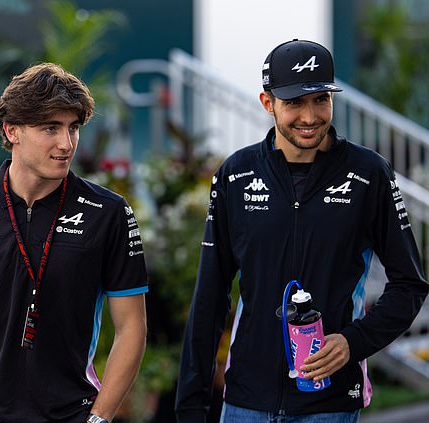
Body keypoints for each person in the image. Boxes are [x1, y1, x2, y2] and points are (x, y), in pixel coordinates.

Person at [175, 39, 428, 422]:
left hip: (329, 403)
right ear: (267, 103)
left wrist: (353, 341)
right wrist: (190, 404)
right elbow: (210, 293)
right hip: (246, 401)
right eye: (293, 102)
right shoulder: (235, 175)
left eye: (320, 100)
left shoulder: (368, 174)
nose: (309, 117)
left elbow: (410, 284)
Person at [0, 62, 148, 423]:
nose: (67, 143)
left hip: (71, 414)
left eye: (73, 128)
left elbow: (132, 325)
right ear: (12, 130)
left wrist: (101, 417)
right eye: (50, 128)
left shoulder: (108, 213)